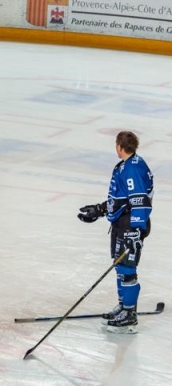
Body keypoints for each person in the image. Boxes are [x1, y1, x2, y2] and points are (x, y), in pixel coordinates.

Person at [78, 131, 153, 334]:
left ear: (120, 146)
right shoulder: (126, 166)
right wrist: (100, 209)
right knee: (120, 265)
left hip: (130, 226)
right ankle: (123, 306)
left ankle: (129, 314)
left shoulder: (132, 169)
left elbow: (140, 201)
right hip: (122, 223)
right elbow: (122, 198)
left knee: (127, 269)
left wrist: (135, 231)